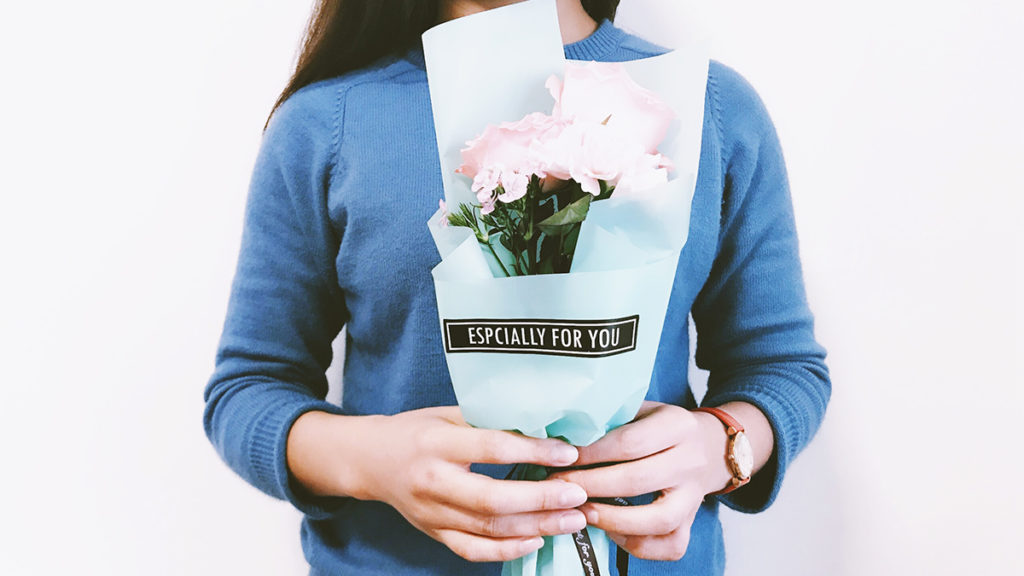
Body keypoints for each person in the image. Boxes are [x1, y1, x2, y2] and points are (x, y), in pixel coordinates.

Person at [202, 0, 831, 574]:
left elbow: (780, 367)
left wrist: (722, 446)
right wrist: (373, 461)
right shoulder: (325, 123)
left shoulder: (709, 106)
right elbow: (249, 387)